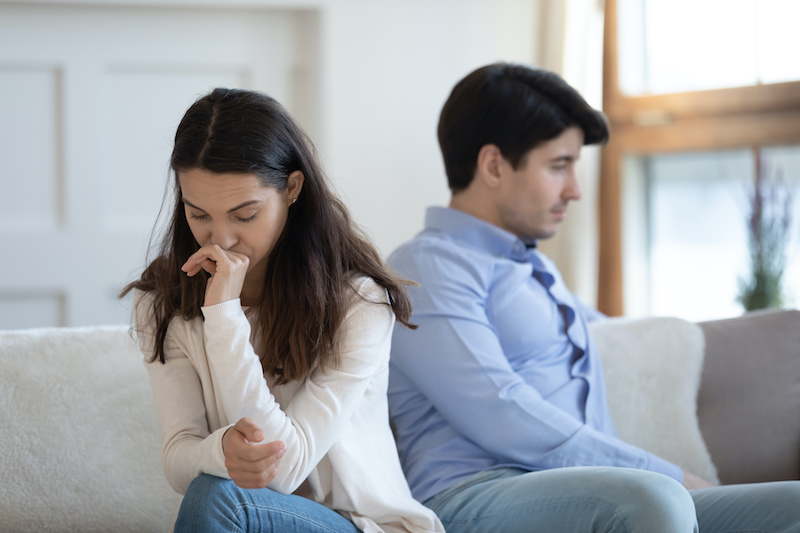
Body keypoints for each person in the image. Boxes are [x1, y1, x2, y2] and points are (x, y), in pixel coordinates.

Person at [387, 62, 800, 532]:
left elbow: (623, 336)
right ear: (494, 165)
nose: (575, 189)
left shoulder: (537, 270)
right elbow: (500, 410)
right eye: (559, 165)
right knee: (654, 502)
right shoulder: (425, 268)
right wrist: (668, 475)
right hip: (474, 494)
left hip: (602, 492)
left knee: (792, 504)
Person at [122, 88, 444, 533]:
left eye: (245, 215)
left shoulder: (360, 304)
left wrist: (224, 315)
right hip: (249, 518)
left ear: (291, 189)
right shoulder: (162, 302)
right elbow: (179, 455)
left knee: (221, 498)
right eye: (199, 215)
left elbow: (285, 467)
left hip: (361, 525)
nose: (221, 239)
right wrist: (222, 453)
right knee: (213, 490)